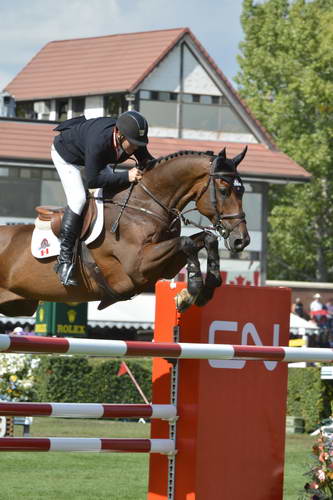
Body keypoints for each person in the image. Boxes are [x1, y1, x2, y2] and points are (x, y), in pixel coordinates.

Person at [51, 111, 155, 287]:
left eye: (140, 144)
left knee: (116, 189)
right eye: (134, 144)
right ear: (120, 135)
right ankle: (64, 259)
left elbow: (148, 162)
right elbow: (93, 180)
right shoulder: (99, 141)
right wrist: (127, 176)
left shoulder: (132, 136)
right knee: (79, 199)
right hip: (67, 156)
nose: (137, 148)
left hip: (93, 158)